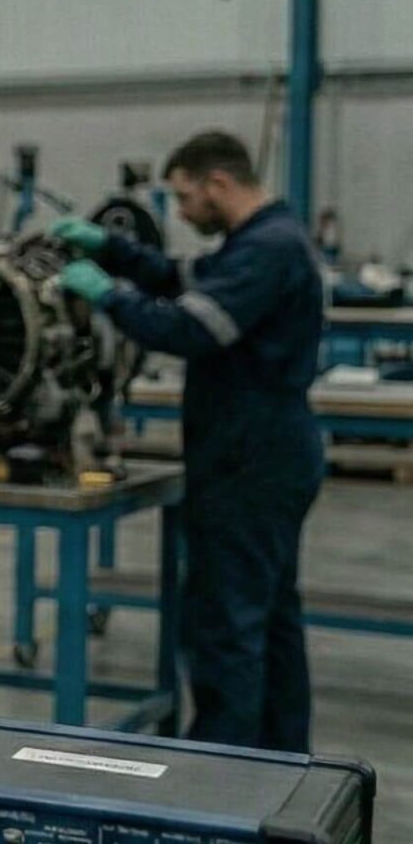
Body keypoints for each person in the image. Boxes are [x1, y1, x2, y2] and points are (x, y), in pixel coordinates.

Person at [50, 130, 325, 751]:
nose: (180, 212)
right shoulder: (258, 241)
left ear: (217, 184)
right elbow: (176, 276)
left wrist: (106, 294)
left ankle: (224, 778)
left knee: (227, 625)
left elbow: (184, 328)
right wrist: (110, 249)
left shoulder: (267, 250)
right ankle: (282, 761)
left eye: (183, 198)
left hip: (249, 460)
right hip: (263, 452)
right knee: (271, 618)